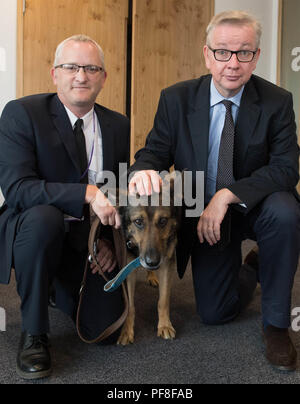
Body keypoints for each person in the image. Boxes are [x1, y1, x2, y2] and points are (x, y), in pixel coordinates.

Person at [129, 11, 300, 371]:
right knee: (214, 313)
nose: (232, 63)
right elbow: (153, 152)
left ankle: (277, 326)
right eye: (223, 52)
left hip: (255, 206)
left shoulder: (277, 101)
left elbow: (286, 169)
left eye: (244, 53)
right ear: (207, 55)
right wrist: (142, 171)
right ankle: (252, 267)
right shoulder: (175, 99)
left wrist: (226, 196)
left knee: (286, 211)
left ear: (256, 56)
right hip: (204, 217)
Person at [0, 35, 129, 379]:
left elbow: (116, 196)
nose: (81, 76)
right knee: (45, 219)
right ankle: (34, 332)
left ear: (104, 76)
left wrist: (107, 241)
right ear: (54, 73)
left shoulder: (118, 125)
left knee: (106, 330)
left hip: (84, 240)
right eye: (71, 67)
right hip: (38, 230)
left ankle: (58, 287)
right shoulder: (22, 113)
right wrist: (85, 193)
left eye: (91, 68)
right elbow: (17, 190)